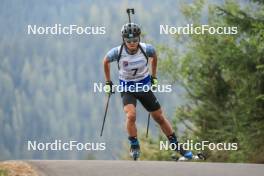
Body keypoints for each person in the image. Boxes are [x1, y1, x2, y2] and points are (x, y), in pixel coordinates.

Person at [103, 23, 195, 160]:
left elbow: (155, 57)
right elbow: (105, 61)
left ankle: (176, 146)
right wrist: (108, 82)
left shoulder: (147, 49)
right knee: (131, 116)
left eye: (135, 40)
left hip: (144, 87)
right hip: (128, 89)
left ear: (139, 38)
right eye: (129, 41)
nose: (132, 43)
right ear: (124, 40)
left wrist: (154, 76)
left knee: (159, 117)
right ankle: (134, 144)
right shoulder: (117, 52)